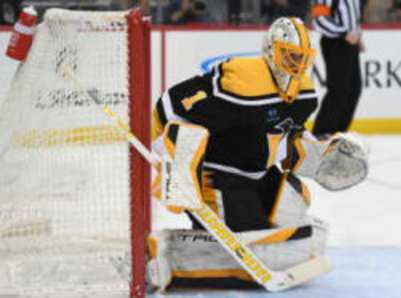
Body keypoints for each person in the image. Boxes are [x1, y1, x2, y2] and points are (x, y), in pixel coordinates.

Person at [146, 17, 368, 291]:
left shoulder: (305, 95)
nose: (296, 67)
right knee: (257, 252)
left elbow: (288, 142)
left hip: (257, 174)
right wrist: (178, 169)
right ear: (271, 52)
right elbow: (170, 106)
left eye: (303, 58)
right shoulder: (242, 82)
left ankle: (218, 245)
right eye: (290, 57)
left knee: (295, 213)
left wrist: (320, 154)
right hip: (217, 178)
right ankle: (168, 255)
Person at [310, 0, 364, 138]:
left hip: (350, 42)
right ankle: (321, 132)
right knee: (339, 89)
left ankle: (339, 133)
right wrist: (344, 33)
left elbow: (353, 17)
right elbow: (319, 19)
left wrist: (357, 35)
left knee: (354, 89)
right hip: (335, 42)